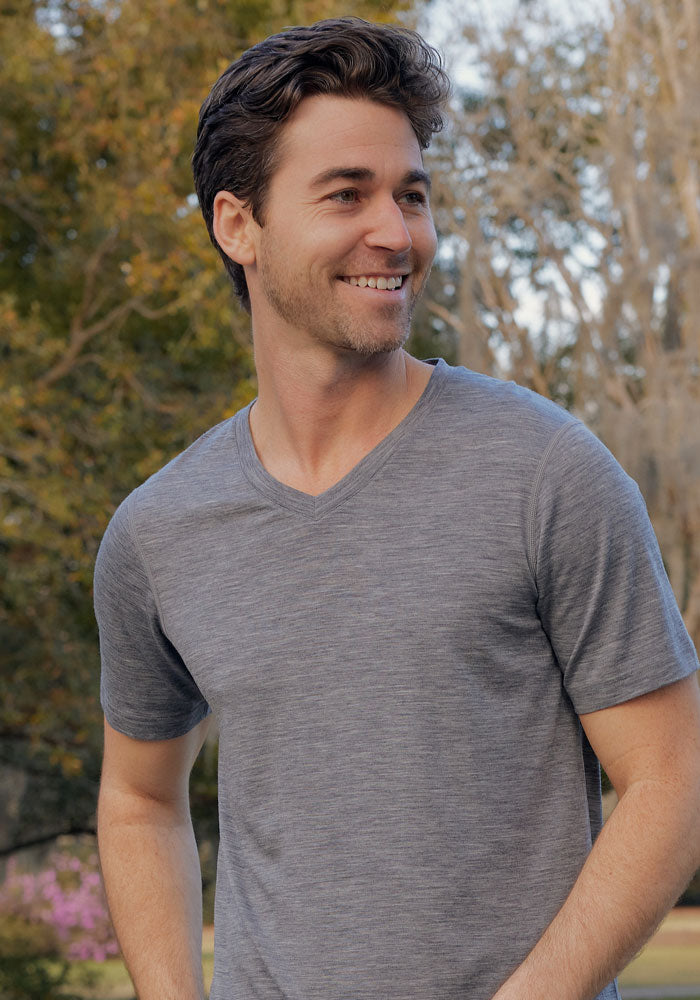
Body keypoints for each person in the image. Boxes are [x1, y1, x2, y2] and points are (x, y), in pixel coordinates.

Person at [94, 17, 700, 1000]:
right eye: (347, 195)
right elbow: (137, 797)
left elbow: (672, 780)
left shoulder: (545, 473)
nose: (397, 232)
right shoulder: (158, 533)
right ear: (235, 224)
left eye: (410, 195)